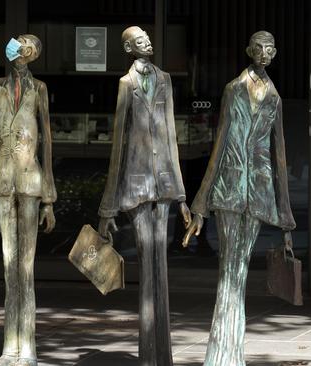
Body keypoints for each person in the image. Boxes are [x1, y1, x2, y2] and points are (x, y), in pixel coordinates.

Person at [184, 31, 296, 366]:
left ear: (274, 53)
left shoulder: (275, 97)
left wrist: (286, 217)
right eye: (258, 47)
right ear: (249, 51)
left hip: (259, 192)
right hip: (230, 189)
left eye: (269, 48)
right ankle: (222, 356)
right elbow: (219, 146)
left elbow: (279, 156)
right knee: (229, 271)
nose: (263, 53)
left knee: (240, 271)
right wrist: (200, 205)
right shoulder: (233, 90)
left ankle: (230, 354)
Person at [97, 26, 191, 366]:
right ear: (128, 48)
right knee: (147, 270)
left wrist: (181, 195)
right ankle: (149, 355)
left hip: (164, 183)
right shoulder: (126, 85)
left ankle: (161, 354)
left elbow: (171, 137)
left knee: (161, 269)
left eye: (148, 39)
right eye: (139, 41)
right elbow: (119, 144)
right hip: (136, 186)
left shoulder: (165, 80)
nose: (147, 43)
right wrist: (108, 206)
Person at [0, 34, 56, 366]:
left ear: (33, 55)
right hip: (2, 184)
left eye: (28, 49)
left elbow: (47, 142)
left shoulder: (39, 89)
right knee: (10, 269)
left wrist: (49, 198)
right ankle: (11, 349)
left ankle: (28, 350)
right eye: (19, 47)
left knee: (26, 268)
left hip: (31, 181)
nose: (21, 53)